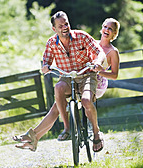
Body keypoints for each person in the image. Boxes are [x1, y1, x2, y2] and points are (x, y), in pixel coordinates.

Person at [13, 13, 120, 153]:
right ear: (54, 28)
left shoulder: (83, 37)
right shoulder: (52, 42)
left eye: (66, 24)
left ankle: (96, 133)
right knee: (58, 94)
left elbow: (100, 54)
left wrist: (97, 63)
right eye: (60, 26)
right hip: (68, 79)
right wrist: (45, 66)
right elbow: (46, 61)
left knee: (83, 101)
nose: (65, 28)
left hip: (87, 76)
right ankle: (62, 129)